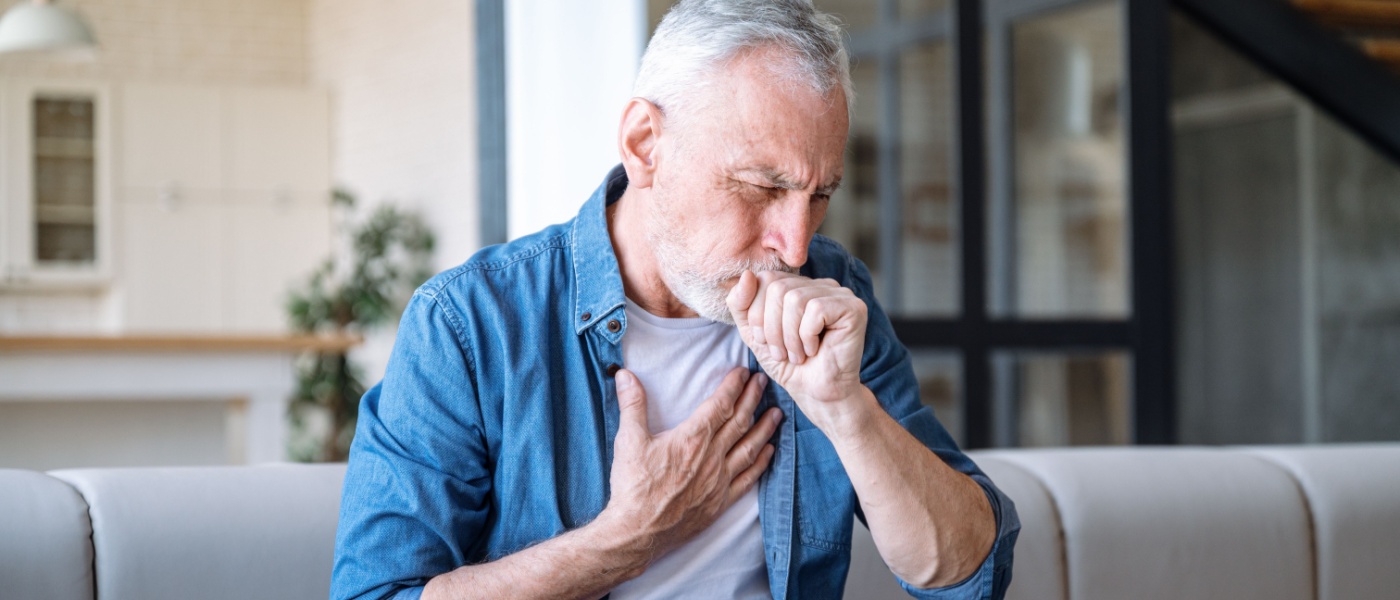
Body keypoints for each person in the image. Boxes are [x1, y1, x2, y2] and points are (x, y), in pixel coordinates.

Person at [331, 1, 1019, 598]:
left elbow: (970, 574)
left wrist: (848, 412)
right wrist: (627, 538)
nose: (794, 244)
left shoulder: (831, 294)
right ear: (645, 145)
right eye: (762, 186)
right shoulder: (469, 323)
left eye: (820, 195)